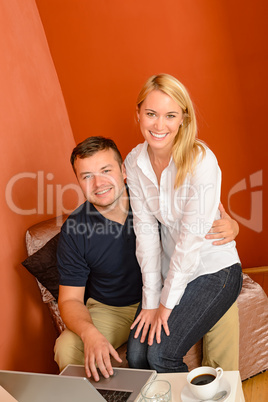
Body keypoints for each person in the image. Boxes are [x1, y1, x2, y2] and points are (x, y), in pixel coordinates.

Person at [54, 136, 239, 382]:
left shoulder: (153, 196)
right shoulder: (74, 229)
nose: (98, 183)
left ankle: (224, 389)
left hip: (168, 291)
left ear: (123, 170)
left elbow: (201, 229)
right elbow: (69, 300)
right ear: (78, 181)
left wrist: (232, 226)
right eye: (86, 176)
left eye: (106, 170)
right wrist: (89, 333)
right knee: (66, 346)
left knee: (220, 299)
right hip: (114, 309)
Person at [125, 73, 243, 373]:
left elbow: (191, 241)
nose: (158, 125)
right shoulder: (133, 163)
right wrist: (151, 301)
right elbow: (146, 233)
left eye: (170, 115)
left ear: (183, 119)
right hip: (171, 270)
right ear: (138, 113)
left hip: (214, 269)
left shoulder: (201, 160)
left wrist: (166, 306)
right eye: (150, 114)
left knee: (159, 355)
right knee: (137, 356)